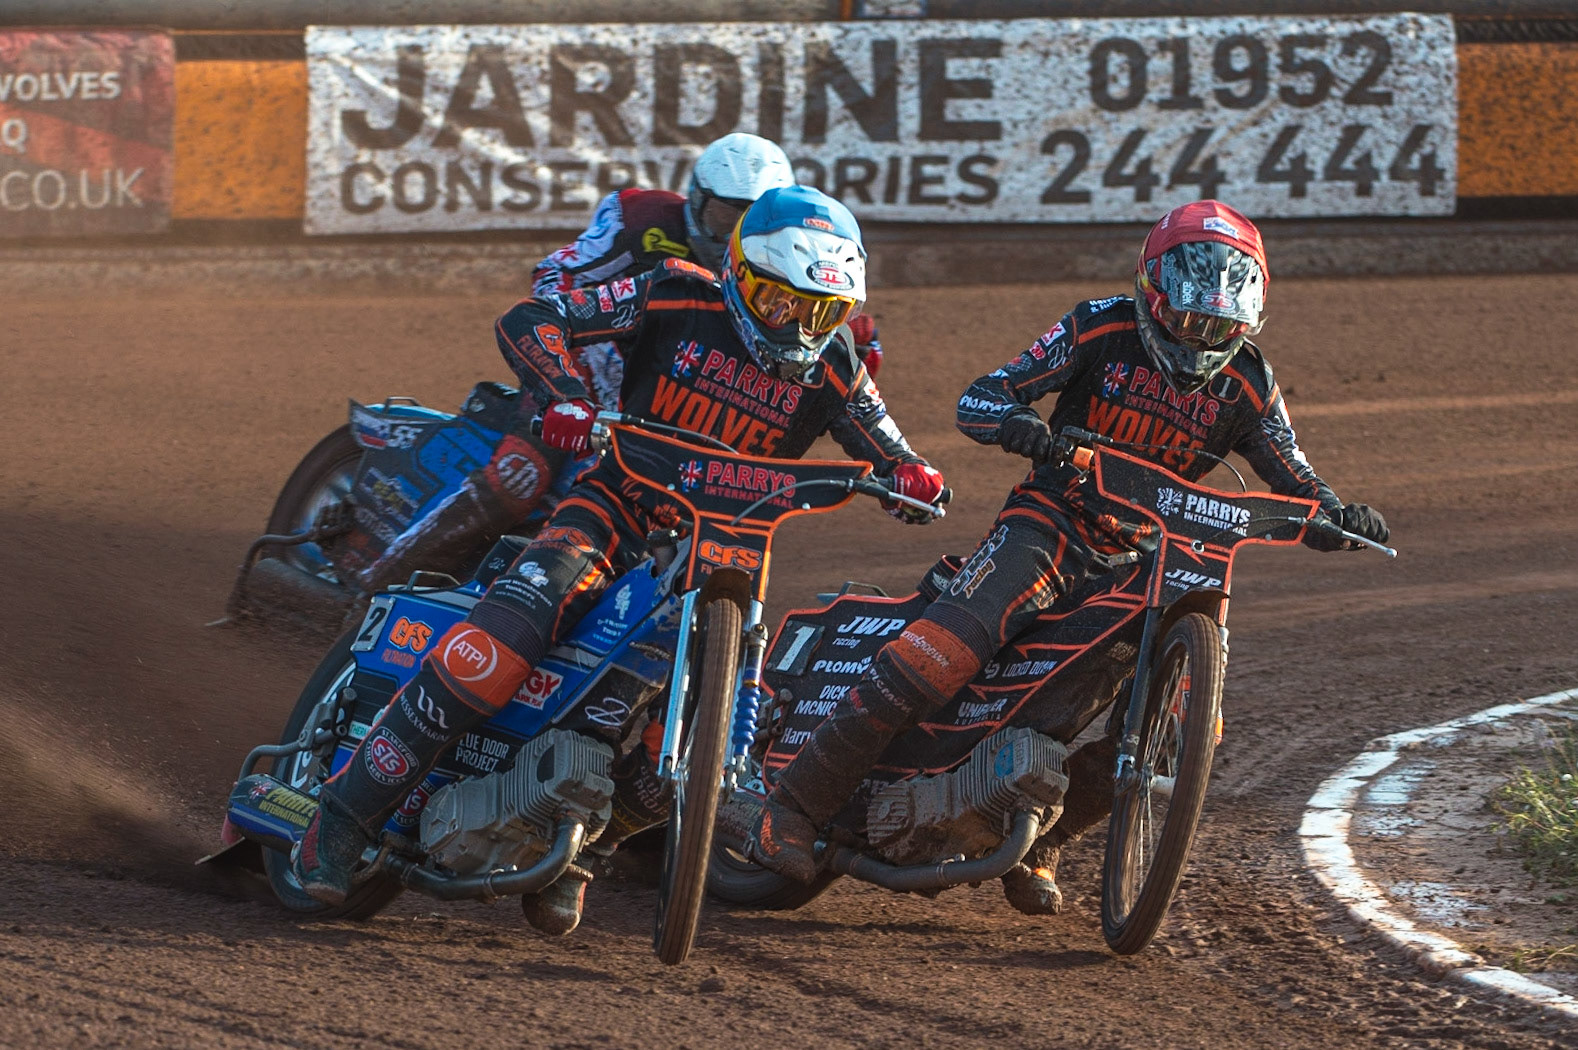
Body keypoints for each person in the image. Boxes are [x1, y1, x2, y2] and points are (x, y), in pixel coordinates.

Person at [293, 185, 946, 936]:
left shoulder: (834, 367)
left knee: (719, 721)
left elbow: (891, 446)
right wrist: (565, 394)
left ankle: (576, 851)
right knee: (499, 650)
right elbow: (535, 319)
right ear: (738, 273)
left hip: (724, 553)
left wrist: (912, 478)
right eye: (780, 301)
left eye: (822, 310)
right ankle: (340, 820)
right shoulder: (674, 294)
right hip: (612, 514)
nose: (798, 325)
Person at [747, 199, 1391, 914]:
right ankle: (794, 809)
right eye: (1186, 320)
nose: (1199, 340)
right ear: (1151, 295)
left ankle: (1045, 840)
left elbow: (1296, 477)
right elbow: (982, 397)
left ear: (1248, 322)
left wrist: (1338, 515)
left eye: (1219, 328)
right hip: (1051, 522)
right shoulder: (1098, 326)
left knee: (1180, 728)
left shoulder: (1249, 382)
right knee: (943, 652)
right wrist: (1022, 426)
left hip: (1151, 556)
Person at [352, 132, 799, 597]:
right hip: (580, 366)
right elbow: (553, 275)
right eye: (726, 215)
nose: (735, 235)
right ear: (697, 200)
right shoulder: (638, 221)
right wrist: (581, 358)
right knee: (522, 475)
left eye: (754, 220)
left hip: (669, 397)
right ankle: (373, 590)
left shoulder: (782, 267)